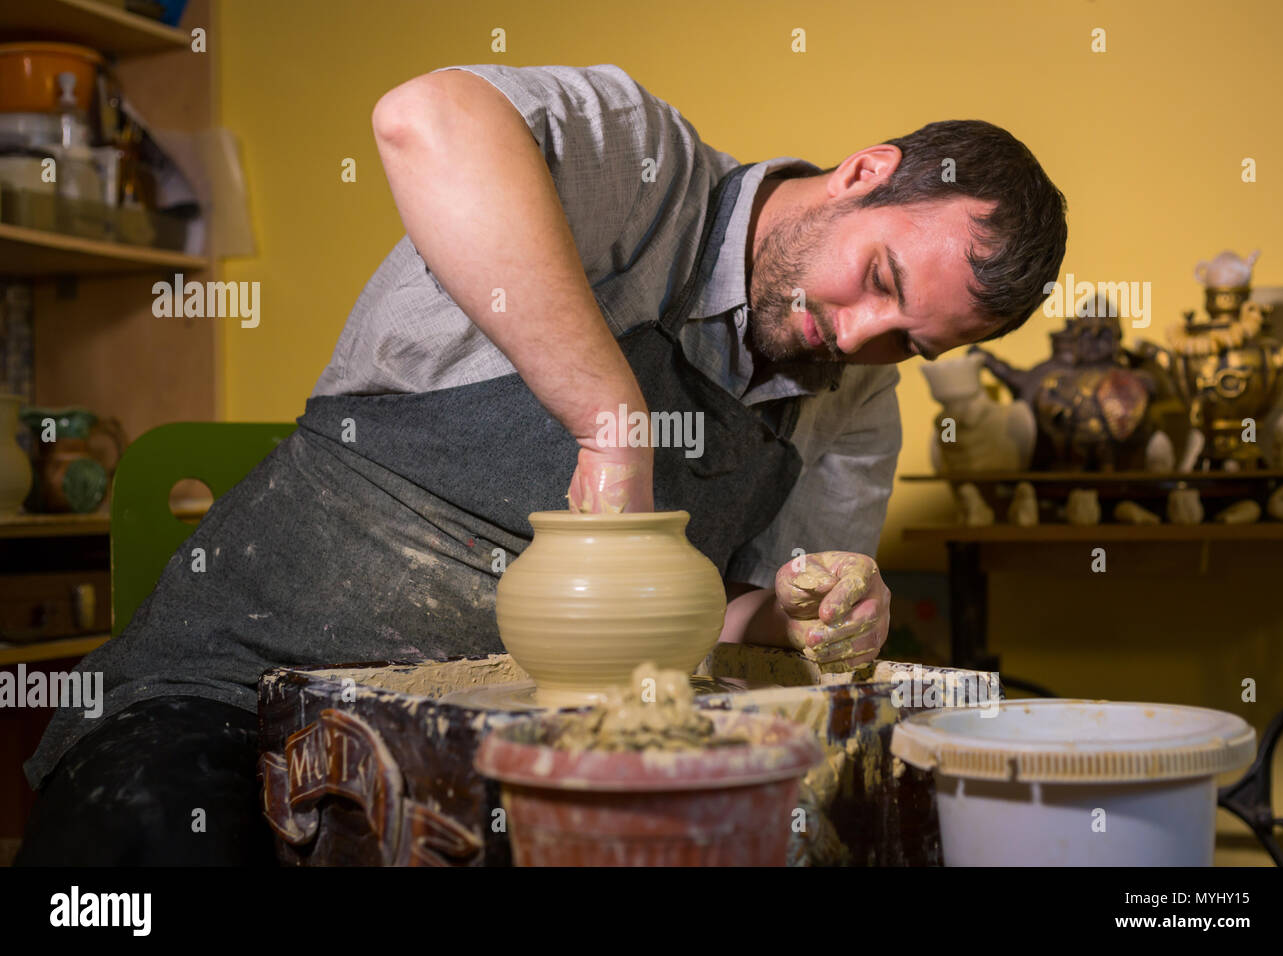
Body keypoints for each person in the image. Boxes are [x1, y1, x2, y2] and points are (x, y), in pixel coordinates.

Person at [17, 63, 1067, 864]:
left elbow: (730, 627)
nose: (857, 336)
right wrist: (609, 417)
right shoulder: (643, 168)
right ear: (863, 172)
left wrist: (804, 611)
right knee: (156, 842)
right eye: (878, 276)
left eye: (906, 340)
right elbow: (423, 118)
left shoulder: (856, 402)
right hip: (234, 684)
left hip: (533, 749)